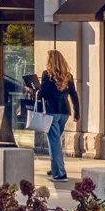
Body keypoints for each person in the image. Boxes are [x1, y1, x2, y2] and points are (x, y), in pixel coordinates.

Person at [33, 50, 76, 181]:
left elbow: (43, 93)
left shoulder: (47, 75)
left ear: (51, 61)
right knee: (55, 141)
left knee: (54, 143)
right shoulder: (68, 76)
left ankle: (60, 174)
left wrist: (35, 90)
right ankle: (55, 169)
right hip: (64, 112)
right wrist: (77, 113)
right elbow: (74, 95)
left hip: (52, 112)